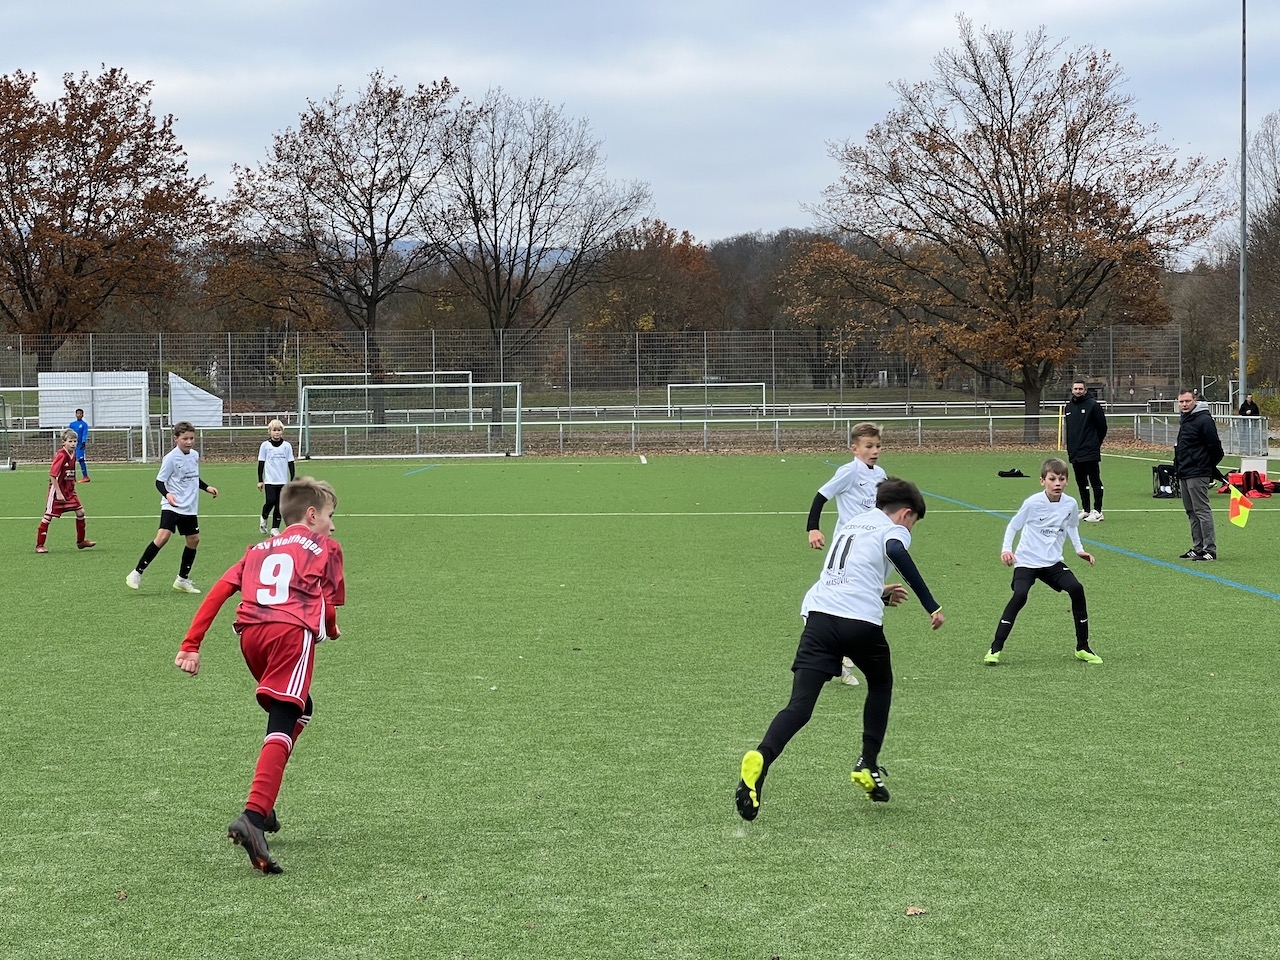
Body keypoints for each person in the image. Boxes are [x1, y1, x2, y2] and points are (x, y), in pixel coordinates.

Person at [735, 478, 945, 820]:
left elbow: (847, 574)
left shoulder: (852, 523)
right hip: (859, 622)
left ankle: (762, 757)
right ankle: (868, 763)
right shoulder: (893, 529)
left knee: (800, 706)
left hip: (819, 617)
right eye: (913, 523)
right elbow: (895, 551)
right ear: (906, 514)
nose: (910, 529)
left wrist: (880, 593)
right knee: (881, 684)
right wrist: (931, 605)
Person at [174, 477, 345, 874]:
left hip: (250, 637)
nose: (333, 525)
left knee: (301, 709)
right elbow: (327, 606)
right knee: (284, 716)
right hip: (289, 633)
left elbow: (220, 589)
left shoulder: (257, 549)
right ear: (312, 514)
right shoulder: (325, 547)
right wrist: (333, 630)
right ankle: (253, 815)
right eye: (330, 516)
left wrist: (191, 643)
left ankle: (264, 806)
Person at [983, 458, 1101, 666]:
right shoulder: (1032, 503)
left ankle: (1083, 647)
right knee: (1020, 595)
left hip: (1052, 562)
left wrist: (1079, 550)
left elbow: (1072, 526)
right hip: (1026, 561)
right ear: (1042, 481)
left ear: (1067, 481)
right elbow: (1013, 526)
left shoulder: (1070, 504)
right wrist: (1006, 550)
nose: (1057, 483)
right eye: (1052, 479)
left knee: (1076, 589)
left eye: (1061, 479)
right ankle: (995, 648)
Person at [806, 421, 888, 687]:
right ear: (854, 449)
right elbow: (821, 496)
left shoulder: (880, 474)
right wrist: (813, 528)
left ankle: (845, 653)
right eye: (869, 446)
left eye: (878, 446)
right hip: (849, 547)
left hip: (873, 546)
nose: (875, 451)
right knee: (847, 596)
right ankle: (839, 657)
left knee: (868, 594)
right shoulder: (849, 472)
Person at [126, 421, 218, 593]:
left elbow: (193, 477)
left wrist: (207, 487)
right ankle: (136, 573)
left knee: (194, 540)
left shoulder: (194, 455)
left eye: (191, 438)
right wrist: (167, 494)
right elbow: (159, 481)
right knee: (163, 537)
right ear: (176, 438)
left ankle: (182, 579)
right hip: (172, 505)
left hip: (189, 506)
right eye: (185, 438)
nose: (189, 442)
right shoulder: (171, 458)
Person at [1174, 389, 1225, 562]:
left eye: (1187, 401)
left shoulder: (1203, 420)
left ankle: (1209, 549)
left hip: (1198, 471)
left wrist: (1206, 466)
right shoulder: (1186, 419)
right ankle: (1198, 547)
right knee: (1191, 511)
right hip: (1185, 471)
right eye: (1181, 401)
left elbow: (1215, 448)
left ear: (1194, 400)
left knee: (1202, 510)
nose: (1184, 404)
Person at [35, 430, 96, 553]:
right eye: (70, 441)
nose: (73, 444)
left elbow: (70, 471)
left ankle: (81, 541)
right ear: (63, 442)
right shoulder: (61, 455)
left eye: (75, 441)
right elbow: (53, 475)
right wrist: (58, 492)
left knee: (80, 512)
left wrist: (72, 482)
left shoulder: (73, 454)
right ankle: (39, 545)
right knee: (48, 516)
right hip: (57, 490)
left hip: (69, 490)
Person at [1063, 381, 1107, 522]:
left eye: (1080, 389)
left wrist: (1094, 443)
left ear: (1085, 390)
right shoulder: (1069, 407)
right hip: (1075, 452)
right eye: (1075, 388)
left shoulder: (1093, 405)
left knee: (1094, 481)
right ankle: (1086, 510)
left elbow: (1102, 427)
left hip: (1090, 451)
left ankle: (1098, 511)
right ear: (1072, 390)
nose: (1078, 391)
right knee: (1081, 482)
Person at [257, 419, 296, 536]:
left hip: (282, 481)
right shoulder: (265, 446)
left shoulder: (287, 446)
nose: (277, 432)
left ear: (282, 431)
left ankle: (275, 528)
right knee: (271, 501)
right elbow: (261, 463)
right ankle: (264, 516)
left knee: (280, 505)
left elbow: (291, 463)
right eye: (274, 430)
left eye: (279, 430)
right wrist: (260, 480)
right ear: (270, 431)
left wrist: (292, 480)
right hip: (270, 480)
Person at [68, 408, 90, 482]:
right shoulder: (72, 424)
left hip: (80, 445)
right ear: (75, 414)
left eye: (80, 414)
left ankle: (85, 477)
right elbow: (69, 434)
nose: (79, 415)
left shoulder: (84, 424)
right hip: (72, 445)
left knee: (81, 460)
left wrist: (83, 442)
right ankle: (72, 477)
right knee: (71, 460)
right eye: (78, 413)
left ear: (82, 415)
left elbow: (84, 434)